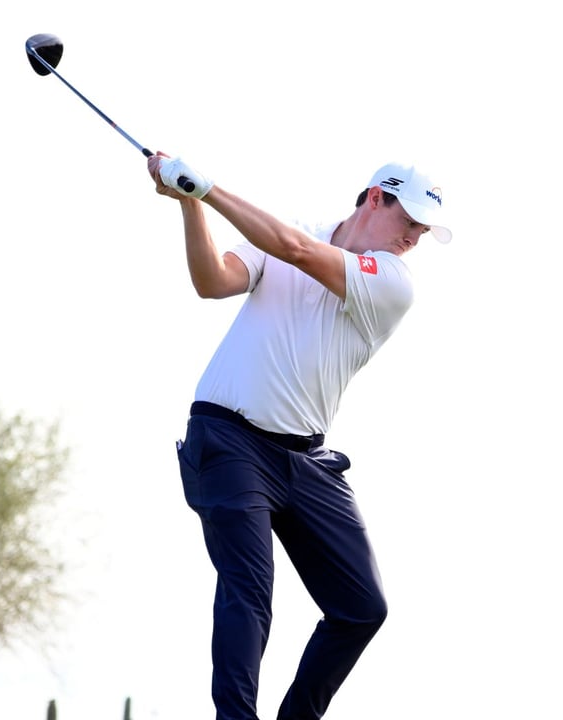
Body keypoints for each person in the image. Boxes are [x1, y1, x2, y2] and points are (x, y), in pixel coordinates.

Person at [148, 152, 451, 720]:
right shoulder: (290, 236)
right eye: (409, 219)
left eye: (423, 230)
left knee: (362, 608)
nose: (414, 236)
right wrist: (191, 204)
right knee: (251, 592)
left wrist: (207, 188)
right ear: (375, 197)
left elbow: (300, 252)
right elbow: (213, 282)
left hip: (305, 462)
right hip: (228, 440)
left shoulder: (392, 283)